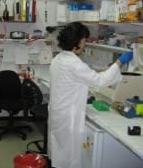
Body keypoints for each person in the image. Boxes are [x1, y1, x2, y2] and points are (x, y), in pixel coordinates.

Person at [48, 22, 133, 168]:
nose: (85, 44)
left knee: (59, 151)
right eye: (85, 40)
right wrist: (119, 62)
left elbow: (77, 79)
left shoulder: (59, 59)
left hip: (58, 112)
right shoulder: (74, 64)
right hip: (68, 116)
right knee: (69, 155)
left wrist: (90, 73)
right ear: (79, 41)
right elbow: (100, 81)